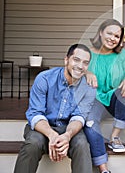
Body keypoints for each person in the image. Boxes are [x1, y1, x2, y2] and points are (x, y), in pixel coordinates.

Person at [14, 44, 99, 173]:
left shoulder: (89, 87)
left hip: (69, 127)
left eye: (85, 63)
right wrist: (52, 135)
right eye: (76, 60)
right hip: (42, 127)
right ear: (66, 60)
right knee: (33, 143)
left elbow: (79, 117)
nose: (80, 66)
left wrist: (67, 136)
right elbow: (36, 113)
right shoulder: (44, 78)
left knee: (82, 144)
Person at [83, 19, 125, 170]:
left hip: (115, 101)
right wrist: (86, 72)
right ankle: (103, 169)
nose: (113, 38)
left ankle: (114, 136)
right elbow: (73, 70)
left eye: (117, 36)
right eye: (109, 33)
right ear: (100, 33)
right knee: (90, 123)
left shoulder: (123, 56)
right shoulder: (87, 53)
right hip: (94, 100)